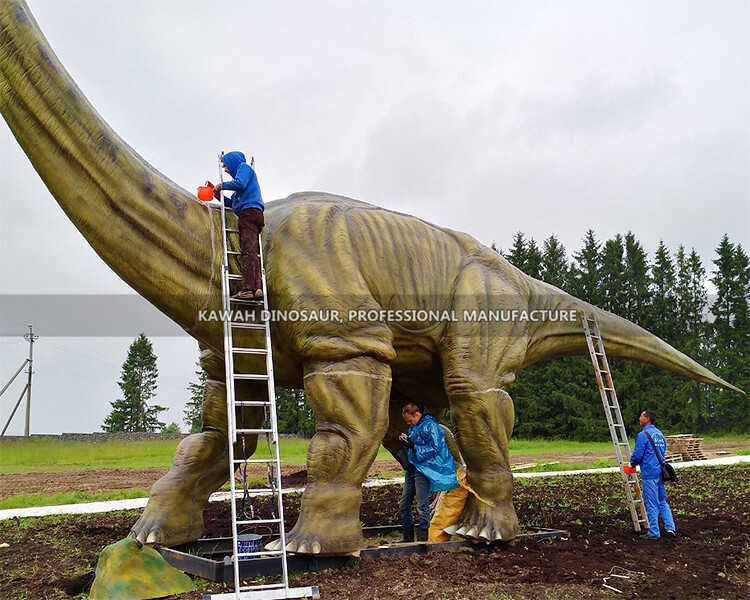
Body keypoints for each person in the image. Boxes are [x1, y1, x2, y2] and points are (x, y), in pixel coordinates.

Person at [206, 151, 264, 300]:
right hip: (253, 213)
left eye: (225, 166)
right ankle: (258, 288)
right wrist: (215, 193)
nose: (225, 169)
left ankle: (248, 289)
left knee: (248, 252)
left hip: (248, 214)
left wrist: (222, 185)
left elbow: (240, 183)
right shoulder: (237, 192)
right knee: (253, 252)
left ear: (233, 162)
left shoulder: (244, 168)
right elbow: (231, 203)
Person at [398, 403, 459, 542]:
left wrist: (413, 445)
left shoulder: (431, 425)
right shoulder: (414, 427)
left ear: (417, 414)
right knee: (404, 503)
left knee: (422, 504)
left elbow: (435, 448)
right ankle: (407, 538)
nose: (408, 423)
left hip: (424, 469)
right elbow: (416, 446)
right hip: (413, 468)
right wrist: (407, 441)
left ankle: (423, 539)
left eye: (409, 420)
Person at [629, 409, 676, 540]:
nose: (639, 418)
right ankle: (670, 527)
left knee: (651, 502)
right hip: (660, 471)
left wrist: (631, 464)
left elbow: (638, 455)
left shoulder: (643, 435)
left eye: (641, 416)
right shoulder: (660, 434)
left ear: (647, 418)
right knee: (662, 501)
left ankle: (654, 532)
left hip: (649, 472)